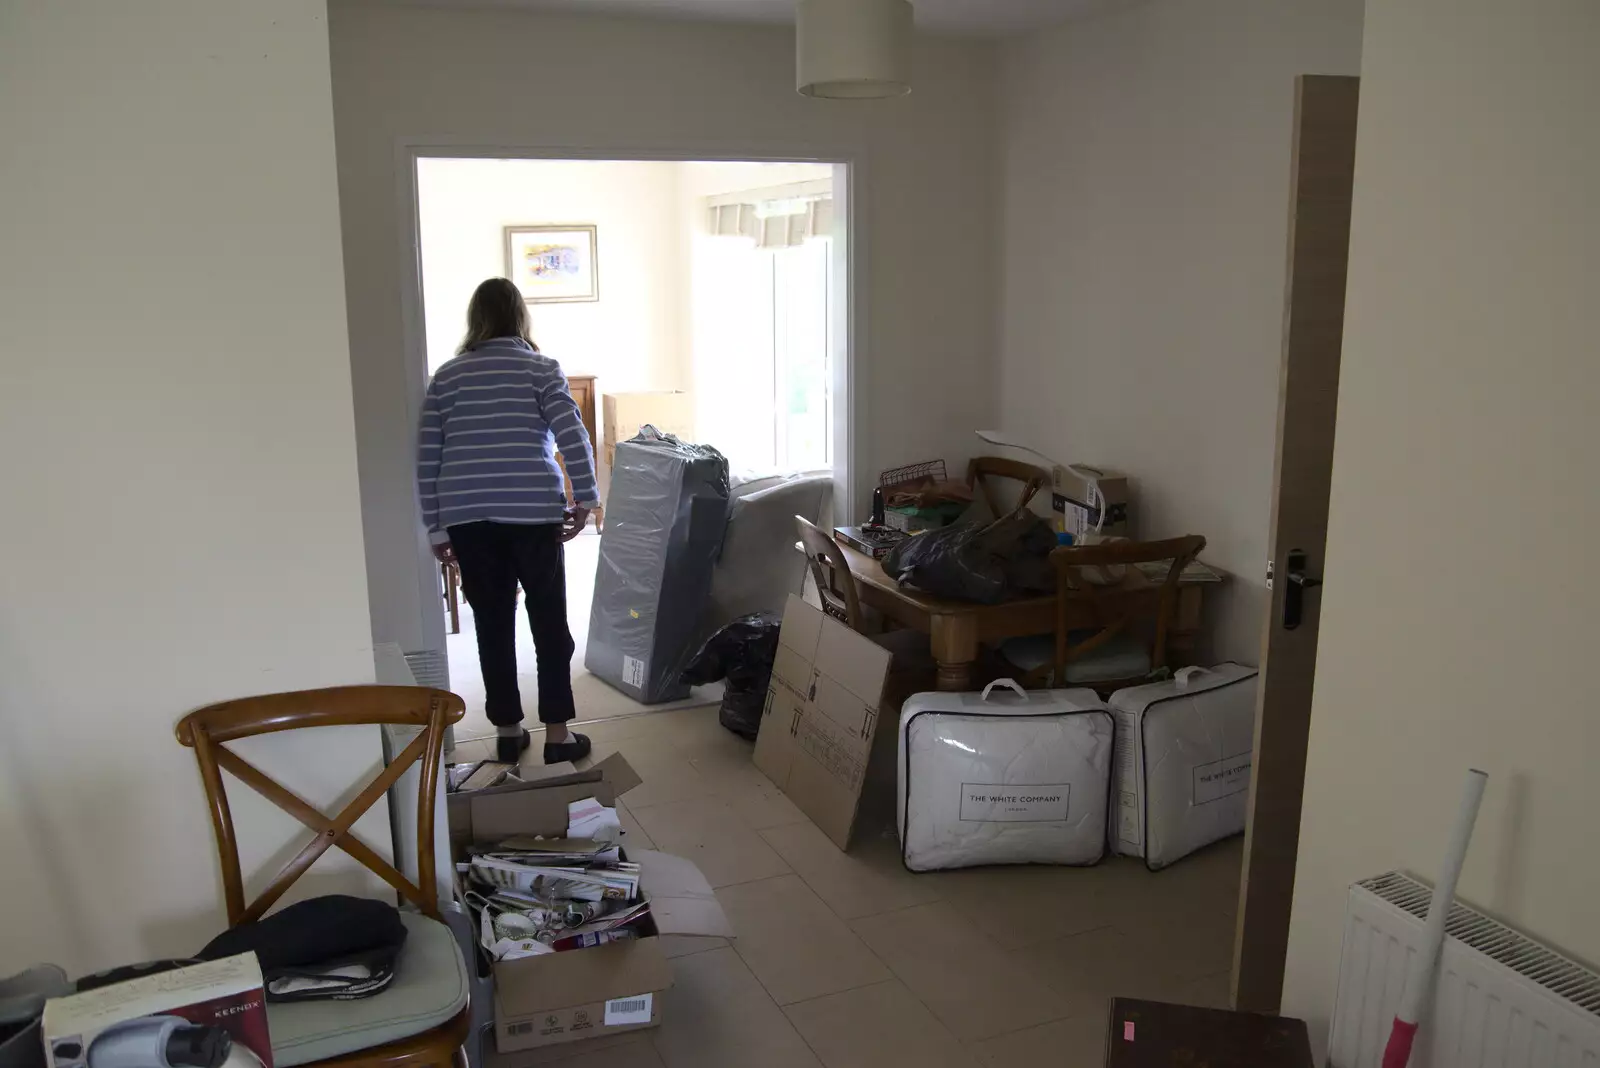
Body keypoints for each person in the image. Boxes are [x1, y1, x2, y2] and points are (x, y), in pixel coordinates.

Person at [417, 277, 597, 765]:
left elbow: (428, 456)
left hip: (468, 518)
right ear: (521, 317)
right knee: (549, 623)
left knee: (492, 624)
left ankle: (508, 729)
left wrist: (436, 527)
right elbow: (572, 436)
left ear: (475, 319)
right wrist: (585, 499)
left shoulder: (447, 377)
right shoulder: (541, 369)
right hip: (532, 513)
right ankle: (558, 736)